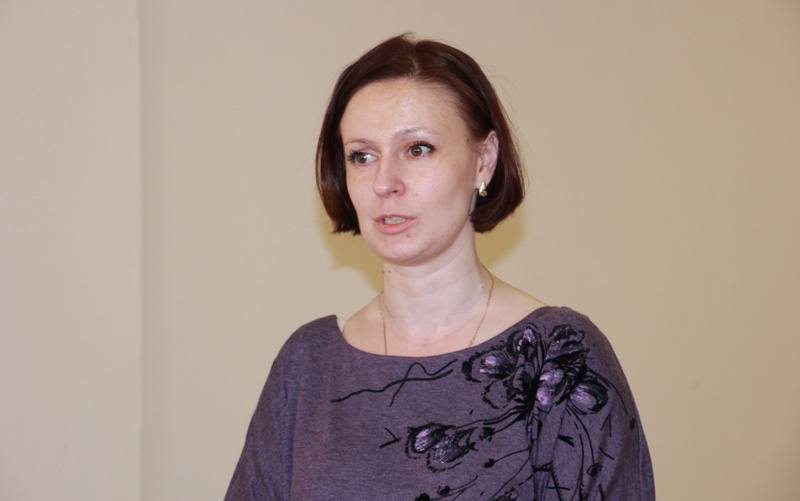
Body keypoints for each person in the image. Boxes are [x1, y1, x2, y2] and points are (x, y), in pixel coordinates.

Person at [225, 34, 655, 500]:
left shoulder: (558, 359)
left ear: (483, 161)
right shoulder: (306, 365)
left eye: (418, 149)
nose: (385, 182)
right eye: (362, 156)